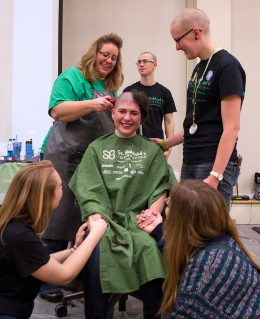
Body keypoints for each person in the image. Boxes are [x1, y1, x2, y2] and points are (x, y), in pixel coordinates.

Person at [69, 90, 177, 319]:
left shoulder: (152, 150)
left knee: (150, 250)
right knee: (96, 251)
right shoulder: (96, 148)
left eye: (134, 113)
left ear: (142, 117)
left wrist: (151, 215)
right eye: (122, 111)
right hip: (104, 222)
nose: (127, 118)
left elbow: (161, 185)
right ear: (113, 113)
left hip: (139, 222)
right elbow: (88, 188)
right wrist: (96, 216)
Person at [40, 33, 124, 302]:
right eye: (105, 54)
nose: (109, 60)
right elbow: (57, 111)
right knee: (58, 217)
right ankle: (45, 282)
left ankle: (78, 272)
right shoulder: (72, 77)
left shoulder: (111, 88)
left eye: (114, 57)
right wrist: (92, 104)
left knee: (88, 217)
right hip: (65, 157)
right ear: (94, 52)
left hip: (94, 162)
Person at [152, 8, 246, 210]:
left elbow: (232, 128)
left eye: (178, 40)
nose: (177, 47)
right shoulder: (199, 68)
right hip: (191, 160)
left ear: (196, 32)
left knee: (209, 232)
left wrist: (215, 175)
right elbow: (196, 124)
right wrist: (165, 143)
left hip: (212, 164)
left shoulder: (227, 67)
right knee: (188, 227)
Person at [137, 179, 260, 318]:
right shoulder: (225, 242)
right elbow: (189, 245)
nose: (165, 208)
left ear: (181, 218)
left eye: (169, 204)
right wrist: (158, 228)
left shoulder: (203, 278)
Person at [0, 161, 107, 319]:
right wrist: (95, 234)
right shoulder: (19, 236)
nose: (63, 190)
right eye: (60, 186)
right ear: (45, 196)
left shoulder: (13, 224)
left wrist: (74, 249)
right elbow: (64, 275)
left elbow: (37, 261)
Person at [123, 52, 177, 161]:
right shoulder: (129, 91)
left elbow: (169, 121)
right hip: (133, 146)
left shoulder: (164, 92)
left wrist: (169, 146)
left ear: (154, 65)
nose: (141, 64)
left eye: (145, 61)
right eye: (139, 62)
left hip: (156, 146)